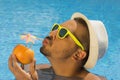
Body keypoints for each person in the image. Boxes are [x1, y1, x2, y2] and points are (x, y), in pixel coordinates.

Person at [8, 12, 108, 80]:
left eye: (62, 33)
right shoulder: (40, 70)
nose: (52, 33)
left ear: (78, 54)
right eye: (56, 27)